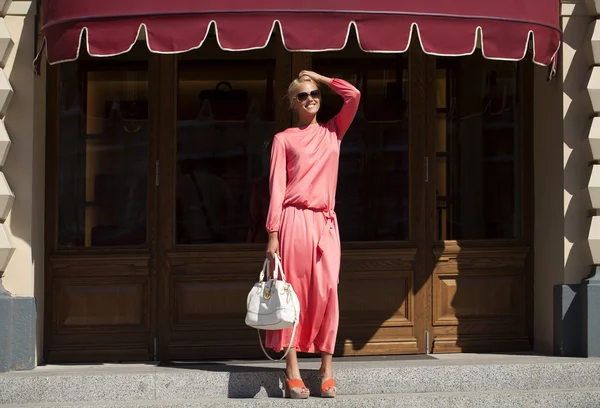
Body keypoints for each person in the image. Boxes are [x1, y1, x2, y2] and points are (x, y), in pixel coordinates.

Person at [265, 70, 360, 399]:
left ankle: (326, 368)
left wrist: (319, 77)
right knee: (292, 296)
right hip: (293, 221)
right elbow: (277, 188)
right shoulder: (284, 139)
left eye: (314, 94)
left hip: (325, 223)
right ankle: (291, 369)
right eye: (303, 95)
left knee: (328, 291)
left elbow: (354, 96)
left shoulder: (334, 130)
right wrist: (272, 233)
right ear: (293, 103)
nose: (310, 99)